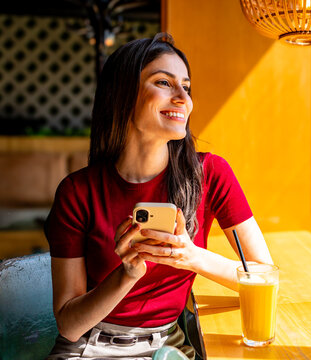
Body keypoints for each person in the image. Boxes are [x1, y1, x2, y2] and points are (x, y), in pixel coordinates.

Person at [45, 33, 273, 359]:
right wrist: (127, 274)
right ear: (122, 96)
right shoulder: (76, 193)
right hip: (87, 348)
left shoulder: (211, 174)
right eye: (164, 83)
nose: (183, 98)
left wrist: (189, 256)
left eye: (187, 86)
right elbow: (69, 325)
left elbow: (264, 275)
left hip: (167, 348)